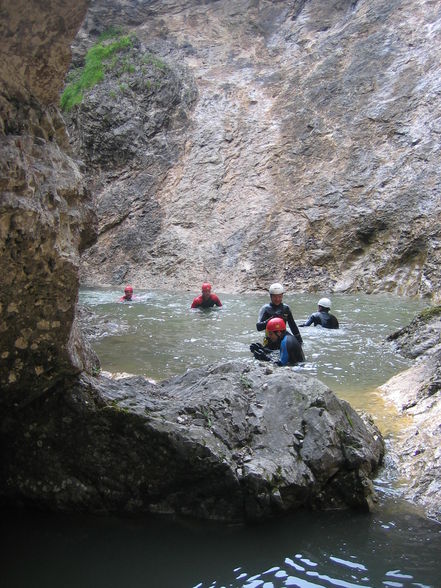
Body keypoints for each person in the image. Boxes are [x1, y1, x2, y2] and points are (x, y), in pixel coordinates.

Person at [256, 283, 303, 347]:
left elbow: (292, 325)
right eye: (275, 297)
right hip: (270, 338)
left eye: (279, 296)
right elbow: (258, 327)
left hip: (283, 337)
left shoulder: (286, 308)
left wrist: (299, 340)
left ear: (282, 296)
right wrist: (272, 318)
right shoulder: (265, 309)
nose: (277, 299)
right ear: (270, 296)